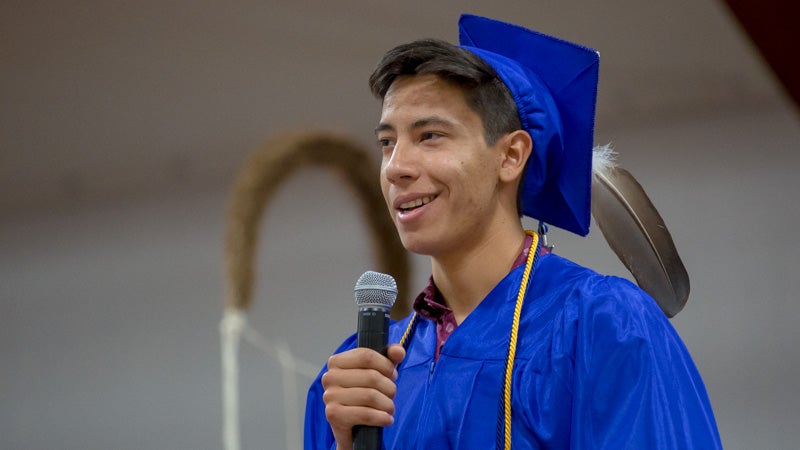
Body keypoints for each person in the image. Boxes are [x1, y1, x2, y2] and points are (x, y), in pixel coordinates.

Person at [304, 14, 722, 449]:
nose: (396, 169)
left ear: (511, 155)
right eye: (387, 143)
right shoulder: (360, 375)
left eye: (429, 136)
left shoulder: (602, 325)